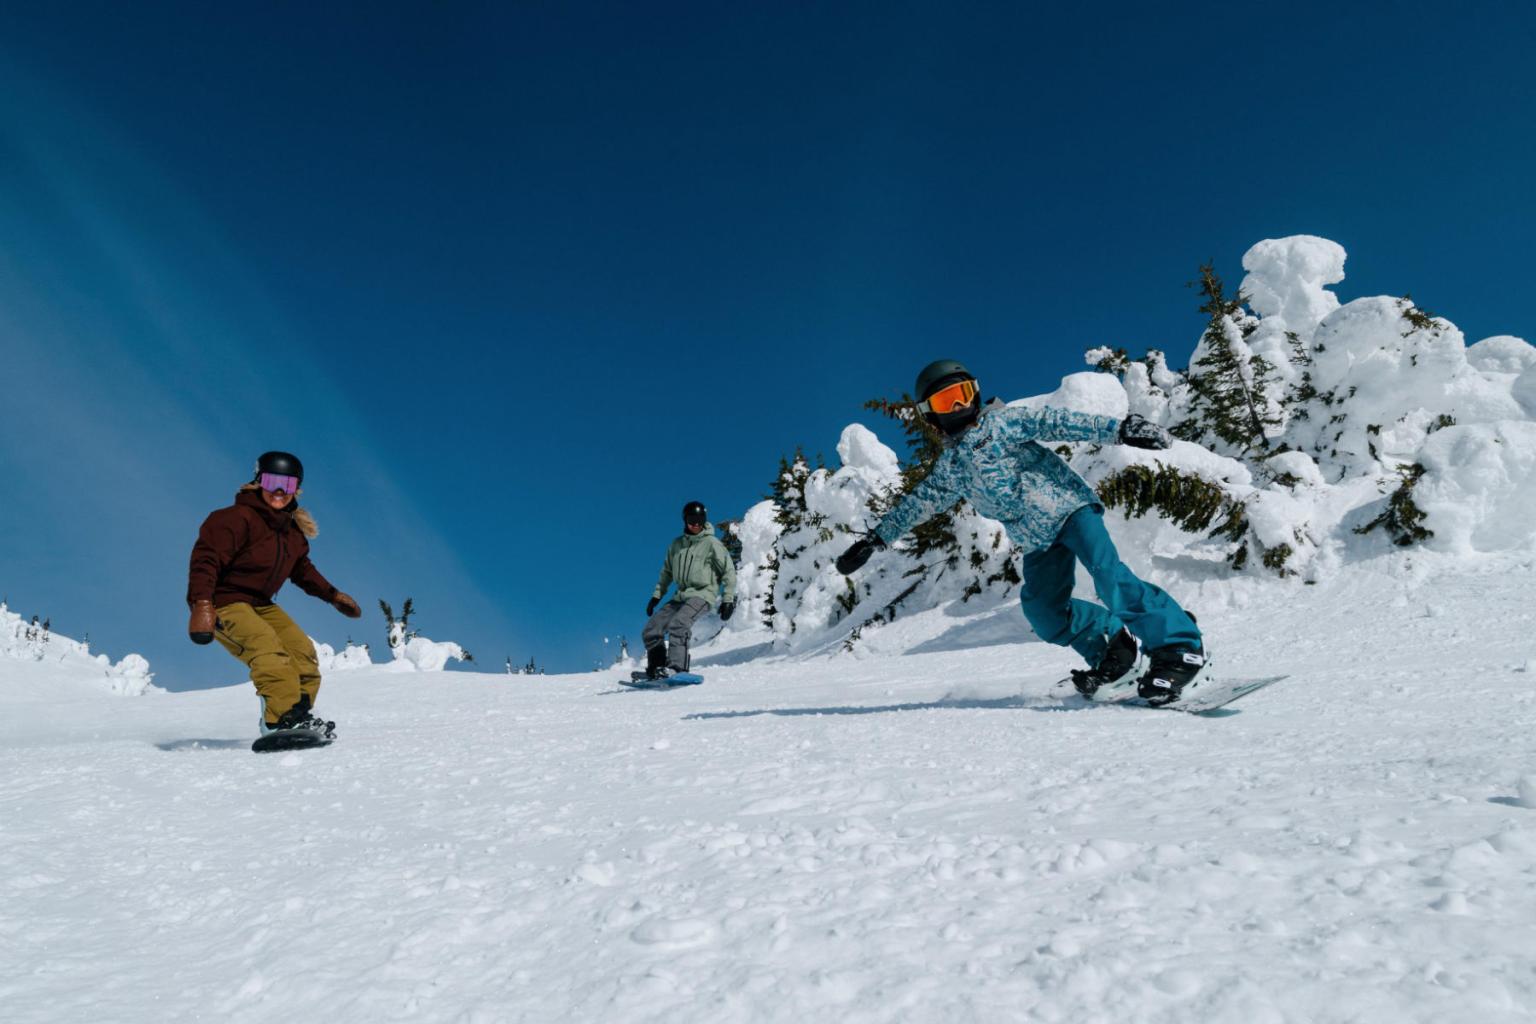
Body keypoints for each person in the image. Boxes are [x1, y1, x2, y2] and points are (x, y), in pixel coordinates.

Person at [835, 360, 1206, 705]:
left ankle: (1179, 648)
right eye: (946, 401)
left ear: (976, 394)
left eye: (962, 394)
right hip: (1037, 540)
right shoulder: (950, 469)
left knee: (1110, 579)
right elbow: (917, 503)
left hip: (1069, 509)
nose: (958, 406)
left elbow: (1057, 421)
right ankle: (1113, 652)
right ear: (931, 416)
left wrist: (1119, 429)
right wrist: (875, 538)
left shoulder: (1002, 423)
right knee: (1044, 613)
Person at [187, 451, 363, 735]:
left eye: (288, 485)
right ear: (258, 481)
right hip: (225, 601)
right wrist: (203, 604)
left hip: (261, 604)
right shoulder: (233, 518)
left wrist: (333, 595)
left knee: (302, 653)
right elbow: (206, 560)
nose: (280, 491)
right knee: (268, 649)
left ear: (297, 490)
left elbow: (303, 571)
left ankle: (298, 715)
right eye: (272, 482)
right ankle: (277, 721)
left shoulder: (291, 533)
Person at [641, 501, 737, 680]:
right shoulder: (677, 545)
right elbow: (667, 573)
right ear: (685, 520)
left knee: (679, 624)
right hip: (681, 596)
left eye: (700, 521)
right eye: (692, 520)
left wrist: (727, 599)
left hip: (702, 594)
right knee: (651, 630)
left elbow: (728, 571)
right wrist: (656, 596)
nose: (696, 525)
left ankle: (677, 669)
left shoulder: (711, 543)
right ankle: (657, 668)